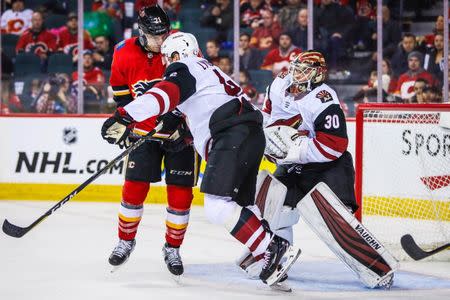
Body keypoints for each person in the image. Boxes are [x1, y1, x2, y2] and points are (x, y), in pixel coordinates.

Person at [101, 31, 298, 286]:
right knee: (241, 203)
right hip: (251, 133)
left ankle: (272, 247)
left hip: (231, 135)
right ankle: (269, 258)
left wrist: (124, 116)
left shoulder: (185, 66)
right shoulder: (208, 70)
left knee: (217, 206)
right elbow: (185, 107)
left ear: (175, 54)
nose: (165, 64)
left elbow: (164, 95)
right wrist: (173, 125)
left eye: (166, 58)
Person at [101, 5, 201, 277]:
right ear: (141, 32)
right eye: (155, 36)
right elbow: (122, 94)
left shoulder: (182, 44)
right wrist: (126, 120)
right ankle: (125, 240)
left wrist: (180, 118)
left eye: (164, 33)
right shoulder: (123, 52)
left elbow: (199, 85)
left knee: (180, 195)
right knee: (133, 189)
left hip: (181, 135)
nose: (162, 41)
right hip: (144, 134)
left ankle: (173, 247)